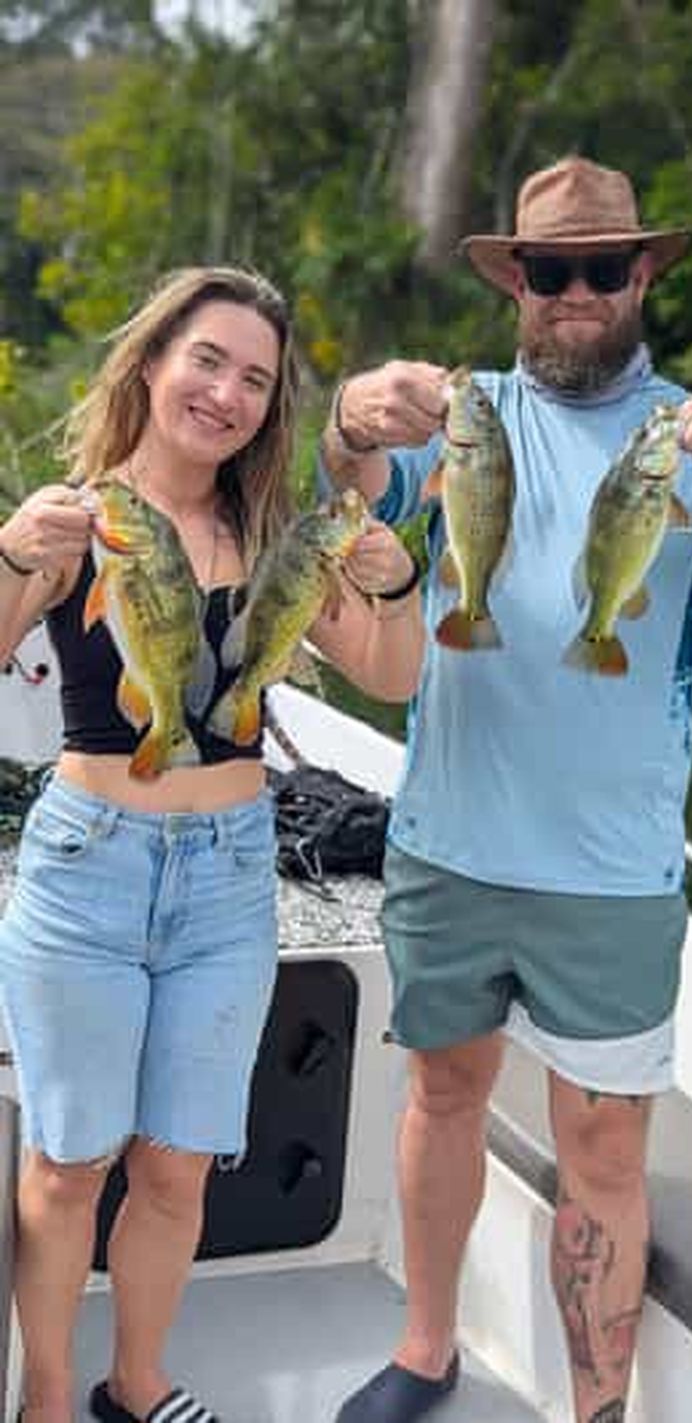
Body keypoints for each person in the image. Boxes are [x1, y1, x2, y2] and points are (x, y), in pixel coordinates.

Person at [317, 156, 692, 1423]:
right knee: (440, 1097)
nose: (572, 291)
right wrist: (351, 417)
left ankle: (595, 1415)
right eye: (547, 270)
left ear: (640, 274)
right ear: (512, 283)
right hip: (446, 847)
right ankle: (427, 1349)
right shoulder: (459, 409)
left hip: (606, 875)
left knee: (601, 1156)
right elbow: (351, 493)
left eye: (599, 266)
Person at [0, 264, 425, 1423]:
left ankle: (135, 1382)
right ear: (151, 362)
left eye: (255, 378)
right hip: (86, 867)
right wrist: (9, 553)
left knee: (177, 1163)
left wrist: (392, 584)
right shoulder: (76, 517)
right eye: (207, 359)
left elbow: (392, 675)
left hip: (228, 874)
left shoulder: (279, 537)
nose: (226, 393)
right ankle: (45, 1401)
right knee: (66, 1165)